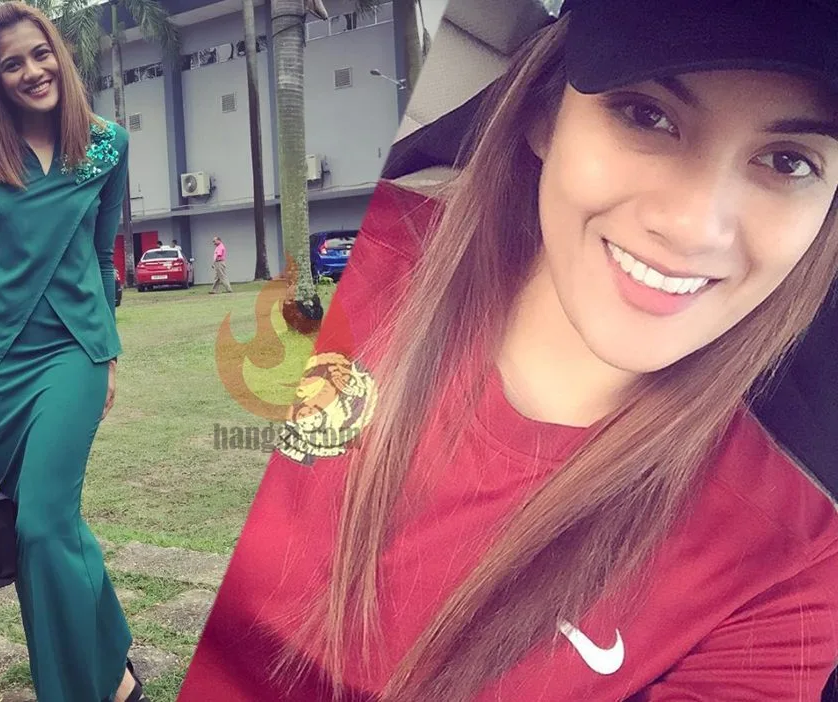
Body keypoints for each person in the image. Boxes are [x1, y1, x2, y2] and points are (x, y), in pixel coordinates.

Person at [178, 1, 838, 700]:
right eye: (647, 116)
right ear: (544, 115)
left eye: (788, 161)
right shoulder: (344, 278)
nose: (694, 227)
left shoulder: (788, 552)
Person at [0, 3, 146, 701]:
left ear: (59, 53)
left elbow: (103, 258)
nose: (32, 71)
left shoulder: (108, 145)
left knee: (46, 521)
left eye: (39, 53)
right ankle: (115, 669)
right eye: (12, 64)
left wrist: (107, 356)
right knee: (42, 530)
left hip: (75, 352)